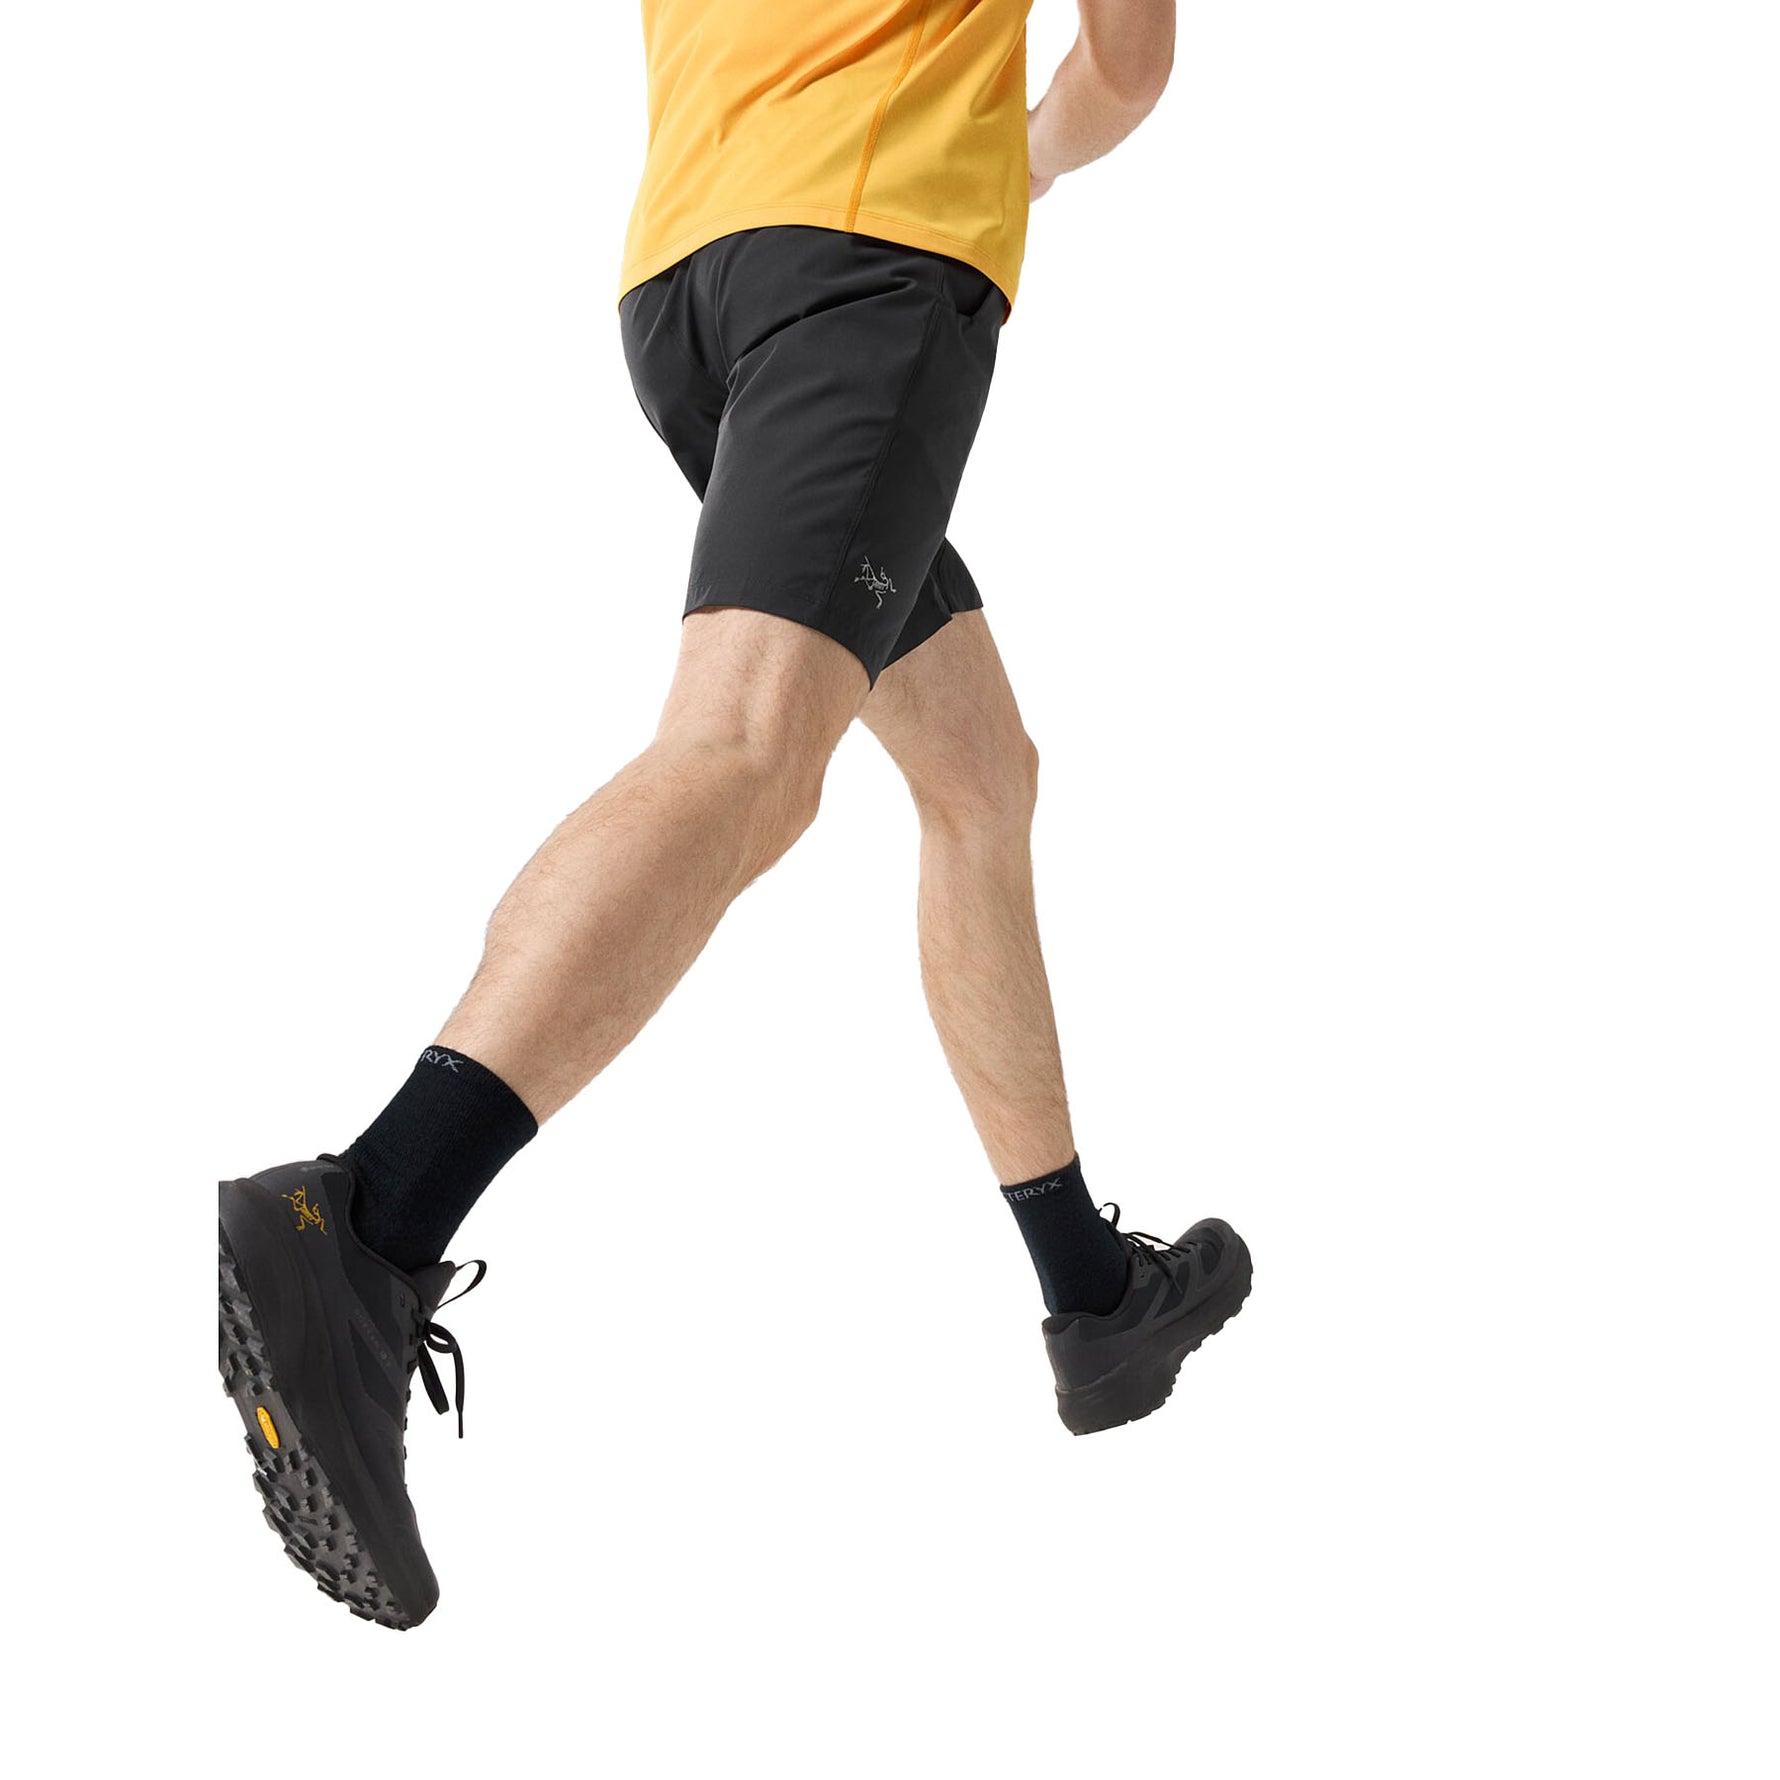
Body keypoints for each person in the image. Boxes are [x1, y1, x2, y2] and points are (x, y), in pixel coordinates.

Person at [217, 0, 1252, 1630]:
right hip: (873, 252)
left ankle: (1095, 1302)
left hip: (688, 276)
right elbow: (1125, 66)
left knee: (980, 777)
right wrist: (1025, 159)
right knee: (748, 751)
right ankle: (363, 1224)